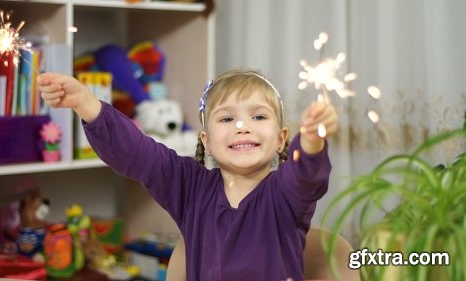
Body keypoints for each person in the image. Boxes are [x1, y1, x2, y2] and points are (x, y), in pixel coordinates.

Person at [38, 69, 338, 281]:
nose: (241, 126)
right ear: (206, 141)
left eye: (258, 116)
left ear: (282, 138)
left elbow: (306, 176)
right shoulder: (190, 186)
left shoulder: (285, 194)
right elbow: (140, 154)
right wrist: (86, 105)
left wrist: (312, 141)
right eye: (226, 118)